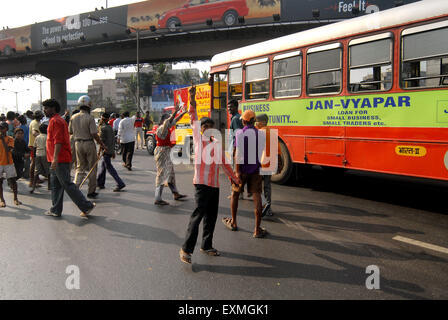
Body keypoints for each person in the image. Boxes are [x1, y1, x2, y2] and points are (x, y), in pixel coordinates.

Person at [179, 85, 241, 264]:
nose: (208, 129)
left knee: (211, 217)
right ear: (201, 128)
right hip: (201, 184)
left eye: (210, 126)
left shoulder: (216, 143)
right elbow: (193, 114)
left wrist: (235, 180)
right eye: (205, 126)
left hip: (214, 186)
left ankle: (206, 245)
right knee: (197, 216)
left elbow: (225, 164)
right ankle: (186, 249)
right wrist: (192, 98)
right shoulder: (198, 139)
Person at [43, 98, 96, 218]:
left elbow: (58, 141)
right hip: (55, 159)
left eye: (46, 108)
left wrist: (55, 159)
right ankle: (55, 209)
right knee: (56, 185)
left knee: (67, 184)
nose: (44, 110)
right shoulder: (55, 120)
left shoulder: (56, 121)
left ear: (53, 109)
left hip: (59, 159)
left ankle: (86, 206)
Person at [222, 110, 268, 238]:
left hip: (241, 170)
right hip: (255, 170)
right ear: (253, 121)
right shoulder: (260, 134)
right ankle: (257, 229)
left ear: (244, 121)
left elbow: (238, 154)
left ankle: (234, 222)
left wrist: (236, 171)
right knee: (257, 197)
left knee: (235, 195)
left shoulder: (240, 133)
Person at [69, 96, 106, 199]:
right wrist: (102, 144)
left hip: (77, 144)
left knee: (80, 167)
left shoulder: (73, 117)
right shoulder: (89, 118)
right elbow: (94, 133)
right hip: (89, 143)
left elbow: (70, 131)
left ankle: (75, 188)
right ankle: (91, 191)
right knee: (92, 168)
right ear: (89, 106)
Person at [154, 104, 187, 205]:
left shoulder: (166, 127)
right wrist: (175, 112)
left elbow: (175, 120)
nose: (170, 120)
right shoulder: (161, 128)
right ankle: (158, 198)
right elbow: (169, 121)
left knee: (171, 174)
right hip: (161, 152)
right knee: (162, 174)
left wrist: (183, 112)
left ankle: (175, 193)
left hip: (166, 151)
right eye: (167, 118)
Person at [255, 114, 280, 217]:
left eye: (256, 122)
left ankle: (263, 207)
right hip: (271, 164)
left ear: (261, 122)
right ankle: (268, 209)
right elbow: (277, 151)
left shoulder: (260, 133)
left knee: (256, 187)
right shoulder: (273, 132)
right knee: (267, 186)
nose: (255, 123)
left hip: (261, 163)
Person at [97, 113, 126, 192]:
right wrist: (113, 151)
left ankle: (120, 183)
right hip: (110, 149)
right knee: (103, 166)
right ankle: (100, 182)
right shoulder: (110, 127)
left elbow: (101, 142)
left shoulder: (103, 128)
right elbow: (113, 141)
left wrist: (99, 152)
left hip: (105, 150)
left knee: (109, 168)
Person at [227, 99, 245, 200]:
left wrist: (234, 151)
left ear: (236, 107)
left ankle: (236, 192)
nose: (229, 109)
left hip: (236, 149)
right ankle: (240, 192)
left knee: (235, 172)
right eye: (228, 107)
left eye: (231, 107)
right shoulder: (237, 117)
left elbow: (238, 136)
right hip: (237, 149)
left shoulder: (235, 119)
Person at [0, 122, 21, 207]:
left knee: (13, 181)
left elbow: (8, 150)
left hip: (8, 163)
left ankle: (15, 198)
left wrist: (2, 139)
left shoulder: (10, 139)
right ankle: (2, 200)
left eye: (2, 128)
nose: (1, 130)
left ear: (7, 129)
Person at [30, 123, 50, 193]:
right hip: (45, 154)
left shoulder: (37, 137)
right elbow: (48, 147)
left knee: (37, 171)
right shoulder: (47, 137)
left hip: (38, 154)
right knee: (48, 171)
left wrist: (34, 156)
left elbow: (34, 147)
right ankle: (49, 186)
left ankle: (33, 187)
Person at [28, 110, 44, 187]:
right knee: (34, 163)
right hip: (33, 145)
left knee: (37, 163)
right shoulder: (35, 123)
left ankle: (36, 179)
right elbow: (34, 133)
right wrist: (42, 136)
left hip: (36, 145)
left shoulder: (36, 122)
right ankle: (31, 181)